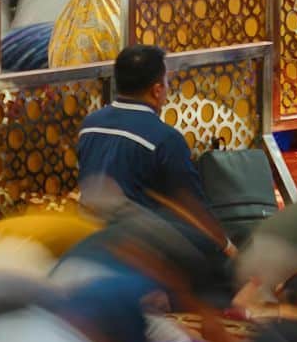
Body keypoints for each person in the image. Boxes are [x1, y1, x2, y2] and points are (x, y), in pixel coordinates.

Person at [78, 44, 214, 223]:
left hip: (90, 235)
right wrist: (227, 246)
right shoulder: (166, 140)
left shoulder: (89, 125)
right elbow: (194, 213)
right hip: (139, 244)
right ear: (157, 90)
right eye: (166, 83)